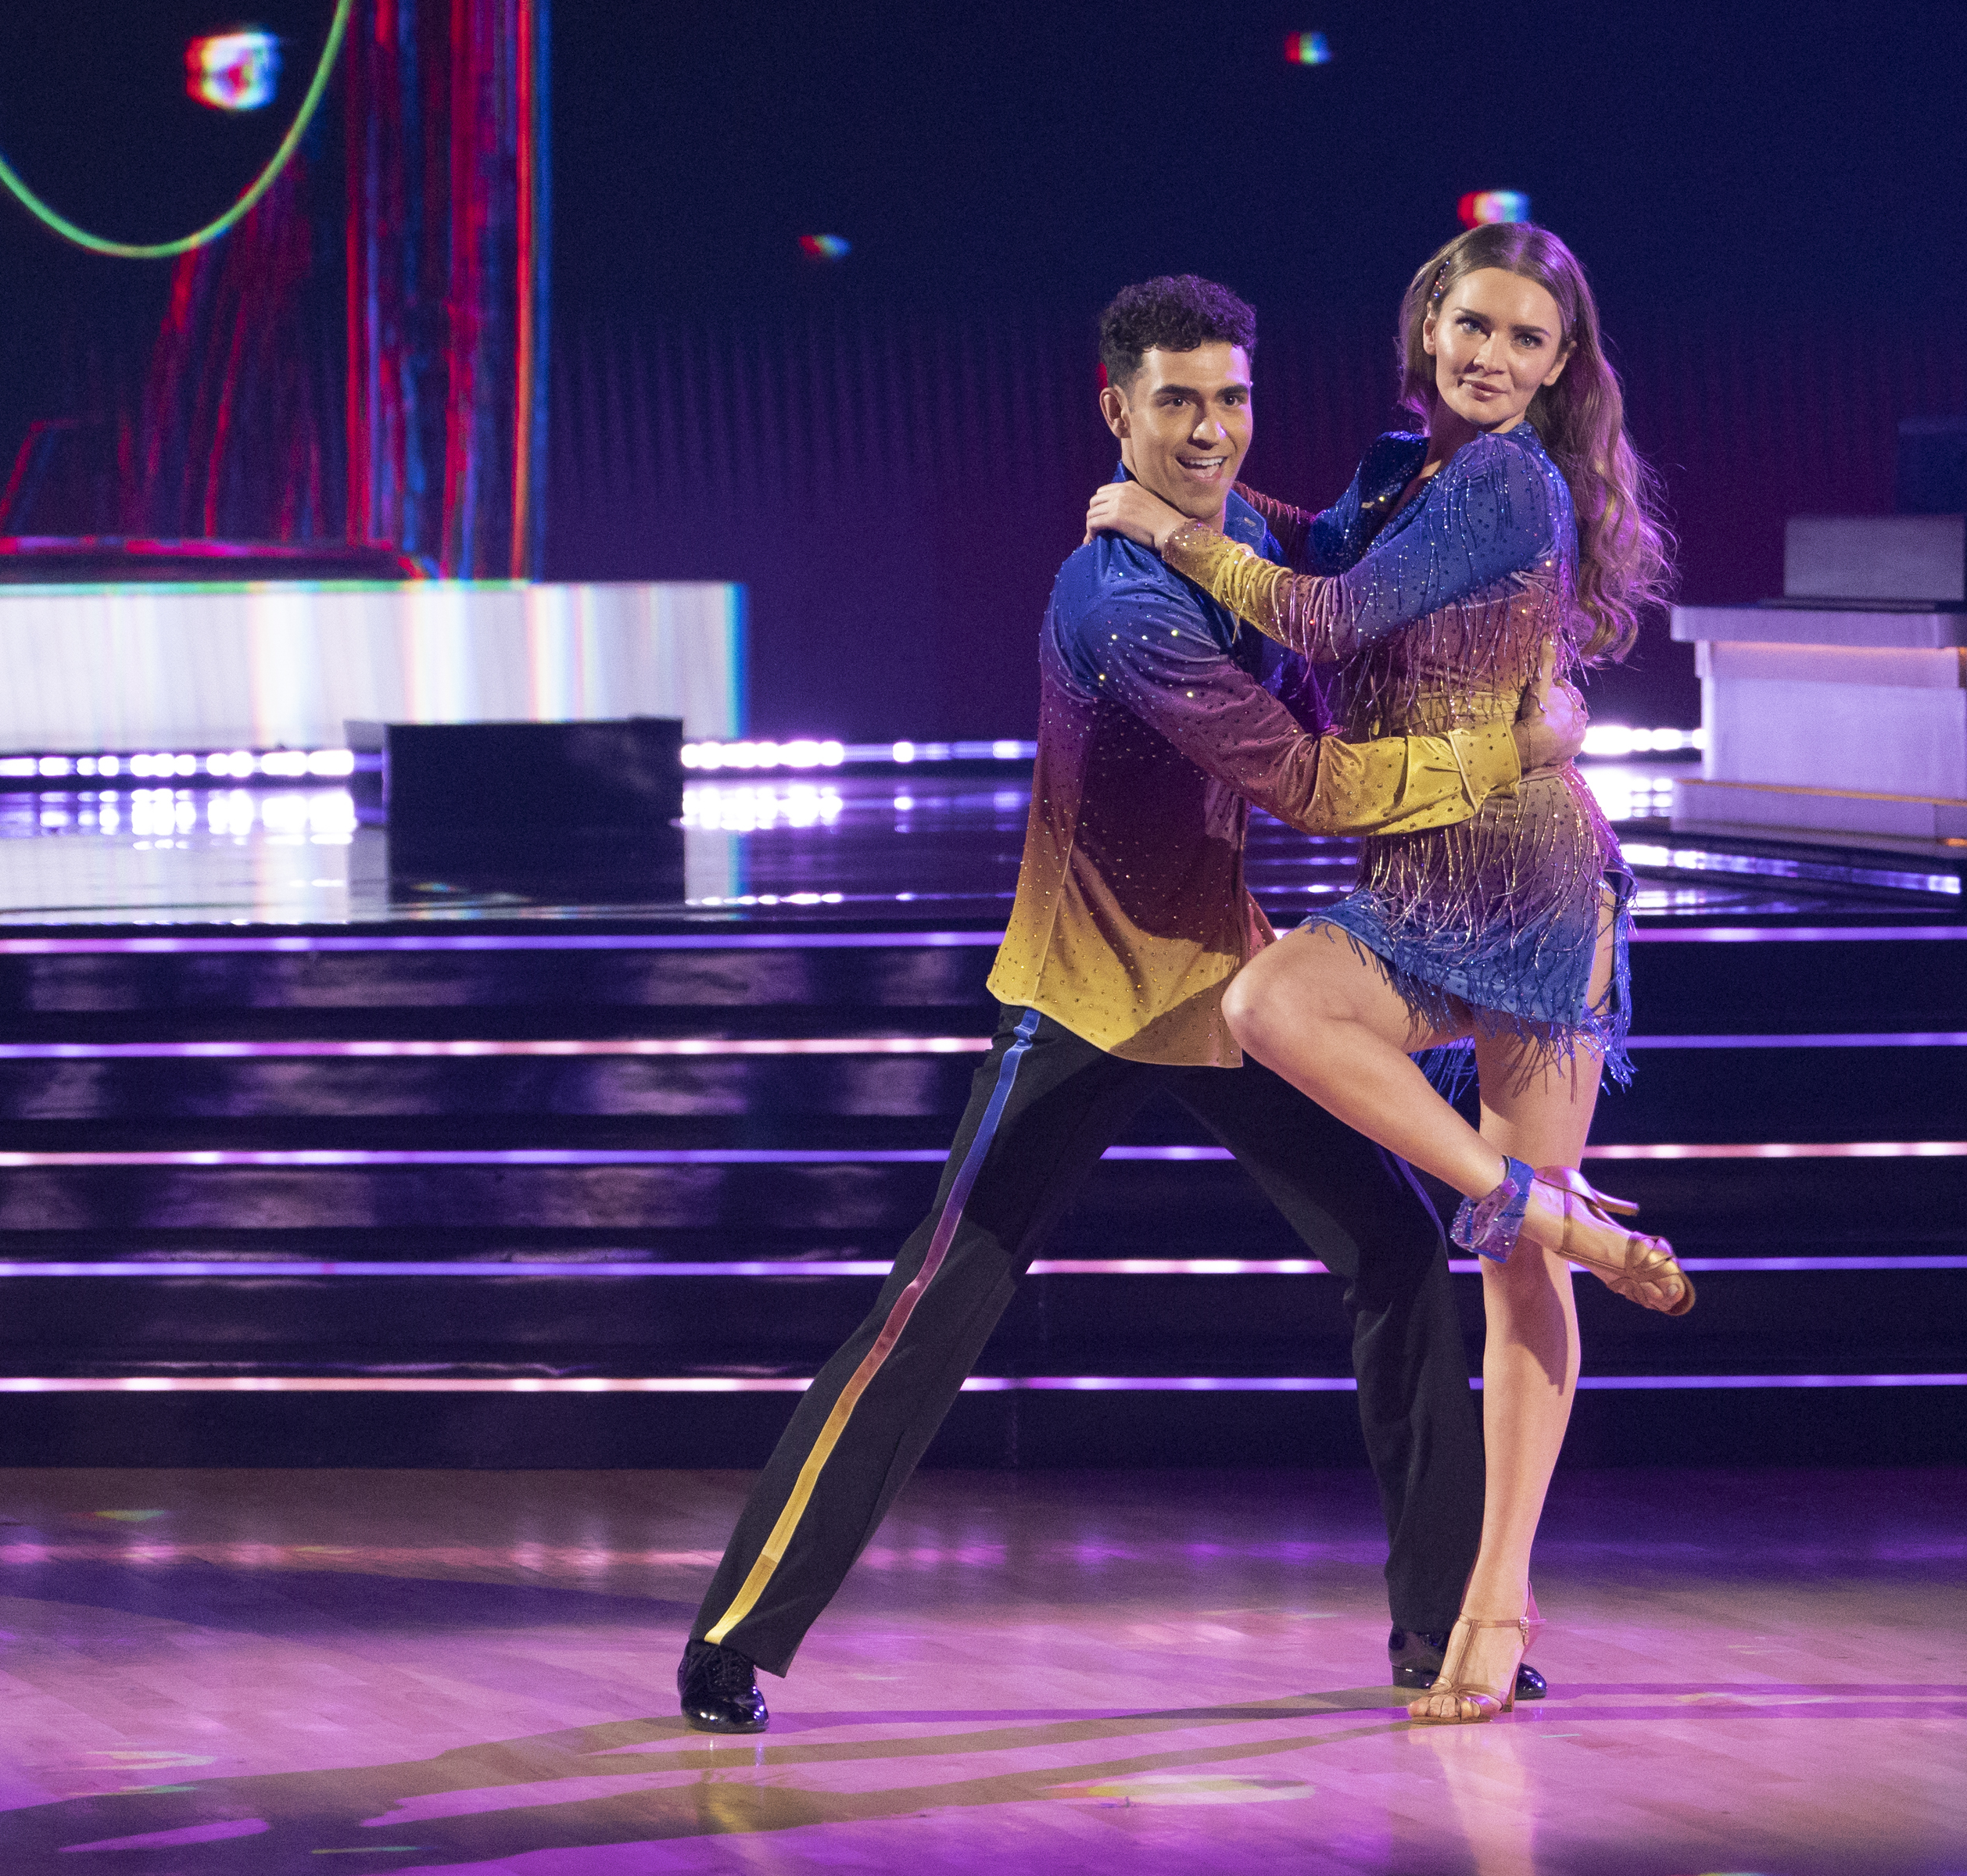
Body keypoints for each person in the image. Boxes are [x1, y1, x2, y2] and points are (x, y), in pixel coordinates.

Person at [676, 273, 1580, 1733]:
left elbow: (1335, 561)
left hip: (1226, 985)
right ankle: (736, 1634)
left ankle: (1444, 1634)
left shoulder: (1219, 532)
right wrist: (1516, 758)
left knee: (1398, 1264)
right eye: (1178, 402)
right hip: (1089, 995)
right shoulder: (1119, 598)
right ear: (1117, 411)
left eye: (1230, 398)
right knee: (937, 1307)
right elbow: (1311, 782)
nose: (1212, 429)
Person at [1085, 223, 1689, 1724]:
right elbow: (1312, 553)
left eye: (1526, 342)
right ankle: (1531, 1202)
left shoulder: (1510, 477)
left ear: (1559, 370)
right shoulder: (1398, 467)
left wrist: (1161, 528)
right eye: (1472, 327)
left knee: (1518, 1290)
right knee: (1275, 1002)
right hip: (1422, 873)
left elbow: (1332, 616)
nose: (1492, 357)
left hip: (1537, 875)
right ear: (1428, 326)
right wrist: (1203, 499)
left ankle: (1497, 1600)